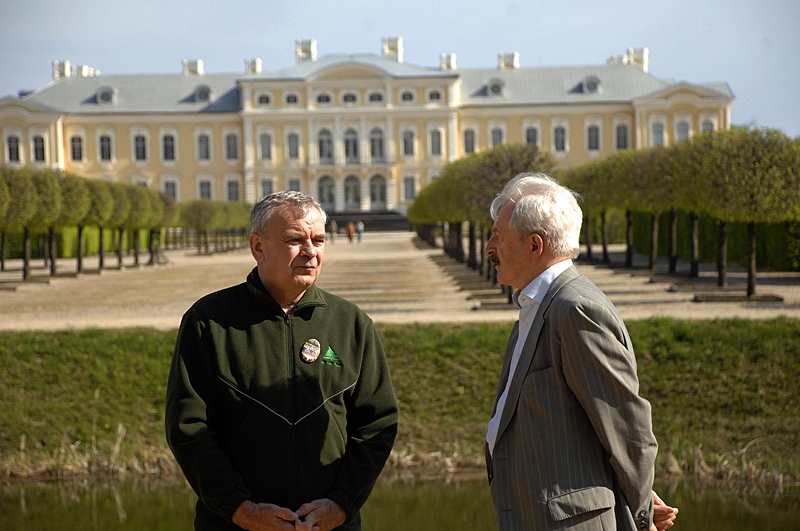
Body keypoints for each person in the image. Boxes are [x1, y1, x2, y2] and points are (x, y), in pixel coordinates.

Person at [165, 191, 399, 531]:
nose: (310, 252)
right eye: (295, 240)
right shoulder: (209, 322)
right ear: (257, 246)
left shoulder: (352, 323)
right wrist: (238, 508)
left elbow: (377, 424)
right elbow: (188, 428)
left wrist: (342, 503)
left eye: (318, 240)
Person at [484, 173, 677, 531]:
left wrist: (641, 516)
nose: (489, 247)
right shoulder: (538, 306)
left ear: (535, 245)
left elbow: (627, 428)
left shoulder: (575, 310)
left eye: (499, 235)